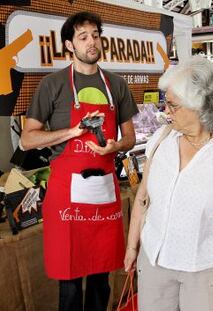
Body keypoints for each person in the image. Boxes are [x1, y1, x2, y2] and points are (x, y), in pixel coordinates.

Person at [21, 11, 138, 311]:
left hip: (104, 189)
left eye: (95, 35)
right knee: (70, 281)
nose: (92, 42)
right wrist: (72, 132)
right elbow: (27, 139)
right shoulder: (53, 84)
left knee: (101, 278)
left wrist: (115, 145)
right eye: (83, 37)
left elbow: (130, 138)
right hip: (66, 194)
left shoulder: (116, 85)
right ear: (69, 45)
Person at [124, 56, 213, 311]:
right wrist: (132, 246)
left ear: (201, 106)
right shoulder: (162, 140)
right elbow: (142, 198)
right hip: (156, 260)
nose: (166, 112)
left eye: (173, 105)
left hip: (210, 266)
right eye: (165, 104)